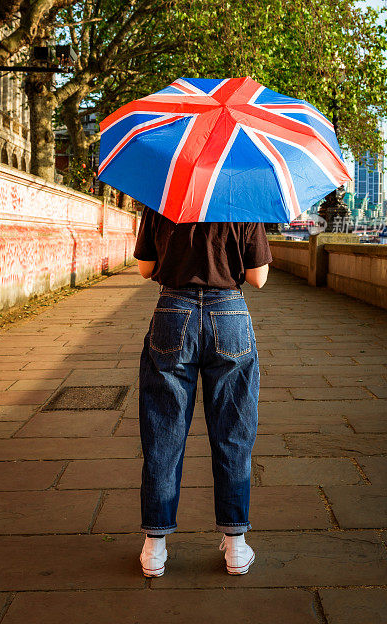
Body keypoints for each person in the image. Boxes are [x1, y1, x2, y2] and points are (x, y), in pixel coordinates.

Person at [133, 205, 273, 577]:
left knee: (163, 433)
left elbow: (146, 269)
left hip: (172, 311)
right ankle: (236, 545)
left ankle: (155, 548)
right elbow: (258, 278)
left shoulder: (162, 199)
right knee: (233, 435)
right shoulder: (243, 201)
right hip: (228, 313)